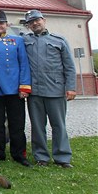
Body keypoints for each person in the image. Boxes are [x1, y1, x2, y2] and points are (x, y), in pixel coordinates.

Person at [23, 10, 77, 168]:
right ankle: (41, 157)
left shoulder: (59, 40)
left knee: (59, 125)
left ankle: (62, 157)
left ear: (43, 20)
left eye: (37, 20)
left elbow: (69, 66)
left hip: (55, 89)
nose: (35, 23)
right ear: (28, 25)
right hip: (35, 92)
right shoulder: (25, 40)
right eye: (31, 22)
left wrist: (71, 87)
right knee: (38, 126)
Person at [0, 10, 32, 167]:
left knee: (17, 124)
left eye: (1, 23)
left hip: (14, 88)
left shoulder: (17, 41)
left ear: (7, 25)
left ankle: (19, 154)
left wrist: (24, 86)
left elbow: (24, 64)